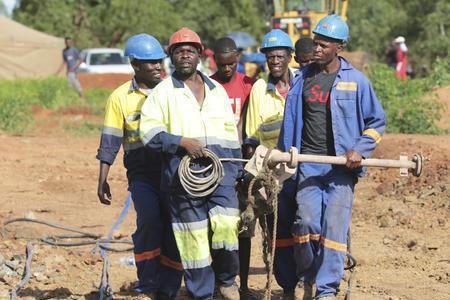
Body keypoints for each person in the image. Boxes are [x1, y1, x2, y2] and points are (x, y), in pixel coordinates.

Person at [278, 15, 386, 299]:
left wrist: (359, 150)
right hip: (308, 164)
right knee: (306, 224)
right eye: (315, 43)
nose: (317, 49)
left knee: (334, 230)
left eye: (324, 44)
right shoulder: (301, 80)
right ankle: (308, 277)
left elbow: (376, 124)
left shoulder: (356, 81)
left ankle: (326, 291)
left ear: (339, 46)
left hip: (341, 168)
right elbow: (290, 124)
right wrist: (284, 158)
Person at [139, 27, 242, 300]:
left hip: (221, 172)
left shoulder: (217, 90)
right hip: (181, 178)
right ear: (171, 57)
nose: (185, 55)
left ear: (199, 54)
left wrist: (236, 174)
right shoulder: (162, 93)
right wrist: (182, 142)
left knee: (228, 223)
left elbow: (231, 135)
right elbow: (148, 134)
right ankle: (202, 294)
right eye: (179, 51)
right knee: (193, 239)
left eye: (190, 50)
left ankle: (227, 280)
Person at [96, 34, 182, 300]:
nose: (159, 66)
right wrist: (102, 179)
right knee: (149, 220)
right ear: (135, 65)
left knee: (174, 226)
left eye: (160, 61)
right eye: (151, 63)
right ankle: (147, 283)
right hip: (142, 174)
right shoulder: (120, 98)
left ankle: (169, 287)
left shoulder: (174, 92)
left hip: (173, 171)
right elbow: (110, 140)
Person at [243, 29, 297, 299]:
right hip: (272, 173)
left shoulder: (302, 84)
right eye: (270, 57)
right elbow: (252, 134)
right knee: (277, 229)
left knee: (305, 225)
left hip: (302, 169)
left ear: (290, 57)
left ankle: (309, 282)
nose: (275, 61)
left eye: (280, 56)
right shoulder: (258, 90)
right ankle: (287, 286)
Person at [210, 37, 256, 300]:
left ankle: (245, 284)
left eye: (232, 64)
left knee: (245, 226)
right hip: (216, 163)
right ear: (215, 59)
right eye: (222, 64)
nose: (227, 69)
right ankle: (220, 282)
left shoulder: (248, 85)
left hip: (242, 162)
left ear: (238, 58)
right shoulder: (207, 84)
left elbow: (250, 122)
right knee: (218, 224)